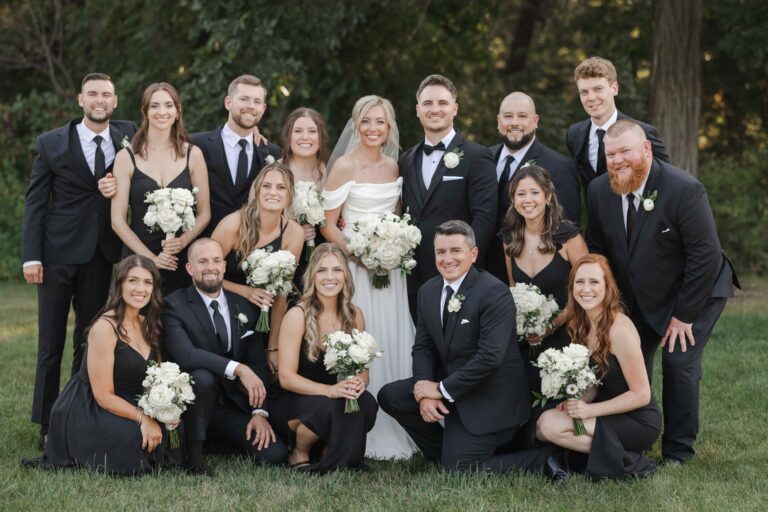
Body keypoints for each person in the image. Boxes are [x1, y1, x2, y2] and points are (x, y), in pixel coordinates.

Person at [586, 120, 738, 463]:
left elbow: (705, 256)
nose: (618, 160)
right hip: (637, 292)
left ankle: (678, 451)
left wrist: (683, 316)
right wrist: (612, 305)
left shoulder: (684, 189)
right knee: (621, 357)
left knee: (678, 359)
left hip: (696, 290)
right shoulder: (598, 191)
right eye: (611, 154)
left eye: (625, 151)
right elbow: (598, 250)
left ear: (646, 150)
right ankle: (633, 434)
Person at [378, 221, 561, 478]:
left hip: (490, 396)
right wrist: (424, 391)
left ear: (473, 254)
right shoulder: (428, 291)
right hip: (451, 386)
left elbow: (489, 359)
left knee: (459, 472)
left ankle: (542, 459)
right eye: (441, 252)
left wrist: (440, 389)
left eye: (456, 250)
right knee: (391, 395)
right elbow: (423, 347)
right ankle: (448, 453)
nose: (447, 258)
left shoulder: (494, 293)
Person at [22, 73, 137, 449]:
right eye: (92, 94)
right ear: (80, 99)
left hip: (100, 257)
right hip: (56, 256)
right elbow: (36, 203)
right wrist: (31, 257)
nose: (99, 100)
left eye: (106, 94)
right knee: (50, 344)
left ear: (115, 101)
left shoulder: (129, 134)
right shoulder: (52, 143)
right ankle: (45, 422)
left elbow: (168, 147)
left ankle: (73, 412)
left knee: (89, 340)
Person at [320, 95, 417, 459]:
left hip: (391, 273)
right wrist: (361, 253)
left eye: (380, 122)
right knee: (363, 335)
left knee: (394, 333)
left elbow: (396, 219)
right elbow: (327, 225)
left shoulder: (395, 167)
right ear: (356, 125)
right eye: (366, 122)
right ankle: (358, 425)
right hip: (359, 269)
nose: (373, 128)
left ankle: (401, 422)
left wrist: (391, 250)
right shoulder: (344, 165)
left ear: (389, 127)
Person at [23, 256, 175, 474]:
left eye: (147, 282)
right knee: (133, 439)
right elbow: (103, 395)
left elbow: (156, 377)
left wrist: (166, 407)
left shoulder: (149, 324)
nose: (140, 288)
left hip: (127, 399)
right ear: (120, 283)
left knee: (173, 428)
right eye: (132, 281)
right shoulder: (105, 327)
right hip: (90, 406)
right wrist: (143, 419)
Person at [163, 238, 288, 475]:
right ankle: (194, 458)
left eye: (216, 260)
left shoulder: (244, 306)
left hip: (230, 405)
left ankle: (217, 439)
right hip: (194, 402)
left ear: (223, 266)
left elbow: (256, 363)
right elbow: (186, 354)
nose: (210, 267)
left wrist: (259, 412)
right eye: (202, 261)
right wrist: (238, 368)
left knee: (275, 455)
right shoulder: (174, 305)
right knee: (202, 377)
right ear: (190, 268)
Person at [536, 254, 661, 480]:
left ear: (607, 287)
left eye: (594, 282)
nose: (586, 289)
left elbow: (641, 395)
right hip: (604, 413)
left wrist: (589, 411)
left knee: (550, 427)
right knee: (542, 428)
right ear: (572, 287)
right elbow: (596, 381)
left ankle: (631, 461)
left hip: (636, 420)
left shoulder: (619, 329)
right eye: (580, 282)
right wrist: (581, 400)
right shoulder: (581, 325)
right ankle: (613, 452)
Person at [271, 243, 378, 472]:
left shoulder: (354, 314)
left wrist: (359, 383)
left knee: (366, 402)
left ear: (346, 276)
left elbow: (363, 369)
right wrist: (330, 390)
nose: (330, 277)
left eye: (337, 270)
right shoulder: (297, 315)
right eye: (322, 270)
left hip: (335, 395)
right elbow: (286, 378)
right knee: (328, 407)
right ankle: (299, 450)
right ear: (312, 276)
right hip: (295, 398)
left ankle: (332, 448)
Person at [399, 74, 497, 321]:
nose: (435, 109)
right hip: (414, 279)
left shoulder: (477, 156)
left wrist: (465, 265)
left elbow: (484, 217)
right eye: (428, 104)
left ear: (455, 109)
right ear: (418, 110)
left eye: (442, 103)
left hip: (459, 274)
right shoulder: (406, 160)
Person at [110, 82, 210, 296]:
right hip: (138, 258)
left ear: (177, 111)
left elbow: (204, 213)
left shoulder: (193, 154)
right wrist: (151, 260)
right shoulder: (126, 157)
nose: (161, 112)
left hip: (179, 259)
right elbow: (117, 221)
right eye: (154, 106)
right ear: (145, 112)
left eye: (168, 105)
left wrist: (183, 241)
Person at [500, 165, 588, 393]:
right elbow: (513, 288)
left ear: (548, 196)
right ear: (513, 199)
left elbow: (587, 290)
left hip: (567, 335)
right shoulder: (509, 238)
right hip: (525, 339)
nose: (527, 200)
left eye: (534, 192)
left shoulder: (567, 236)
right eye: (520, 194)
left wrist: (552, 325)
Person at [211, 163, 303, 374]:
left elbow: (281, 293)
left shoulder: (293, 233)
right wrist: (246, 291)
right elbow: (203, 275)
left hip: (264, 315)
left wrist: (273, 346)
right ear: (257, 190)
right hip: (222, 306)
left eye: (281, 187)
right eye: (267, 186)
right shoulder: (233, 224)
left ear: (290, 194)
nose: (273, 193)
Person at [487, 92, 581, 282]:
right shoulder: (484, 158)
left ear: (535, 120)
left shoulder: (559, 166)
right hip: (483, 270)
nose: (514, 122)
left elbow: (566, 227)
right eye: (508, 116)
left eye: (522, 116)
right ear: (499, 121)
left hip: (532, 275)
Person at [565, 56, 670, 196]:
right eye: (584, 92)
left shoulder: (643, 132)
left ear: (614, 88)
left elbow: (667, 178)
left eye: (598, 89)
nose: (590, 97)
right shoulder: (574, 134)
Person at [191, 75, 281, 237]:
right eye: (244, 99)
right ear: (228, 103)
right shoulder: (197, 144)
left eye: (257, 101)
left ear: (263, 108)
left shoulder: (271, 152)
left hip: (250, 247)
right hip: (204, 248)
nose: (251, 106)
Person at [280, 107, 330, 291]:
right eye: (298, 131)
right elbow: (257, 218)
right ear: (289, 136)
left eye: (312, 131)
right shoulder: (275, 172)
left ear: (321, 137)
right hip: (285, 255)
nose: (305, 137)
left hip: (325, 259)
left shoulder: (331, 172)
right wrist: (294, 229)